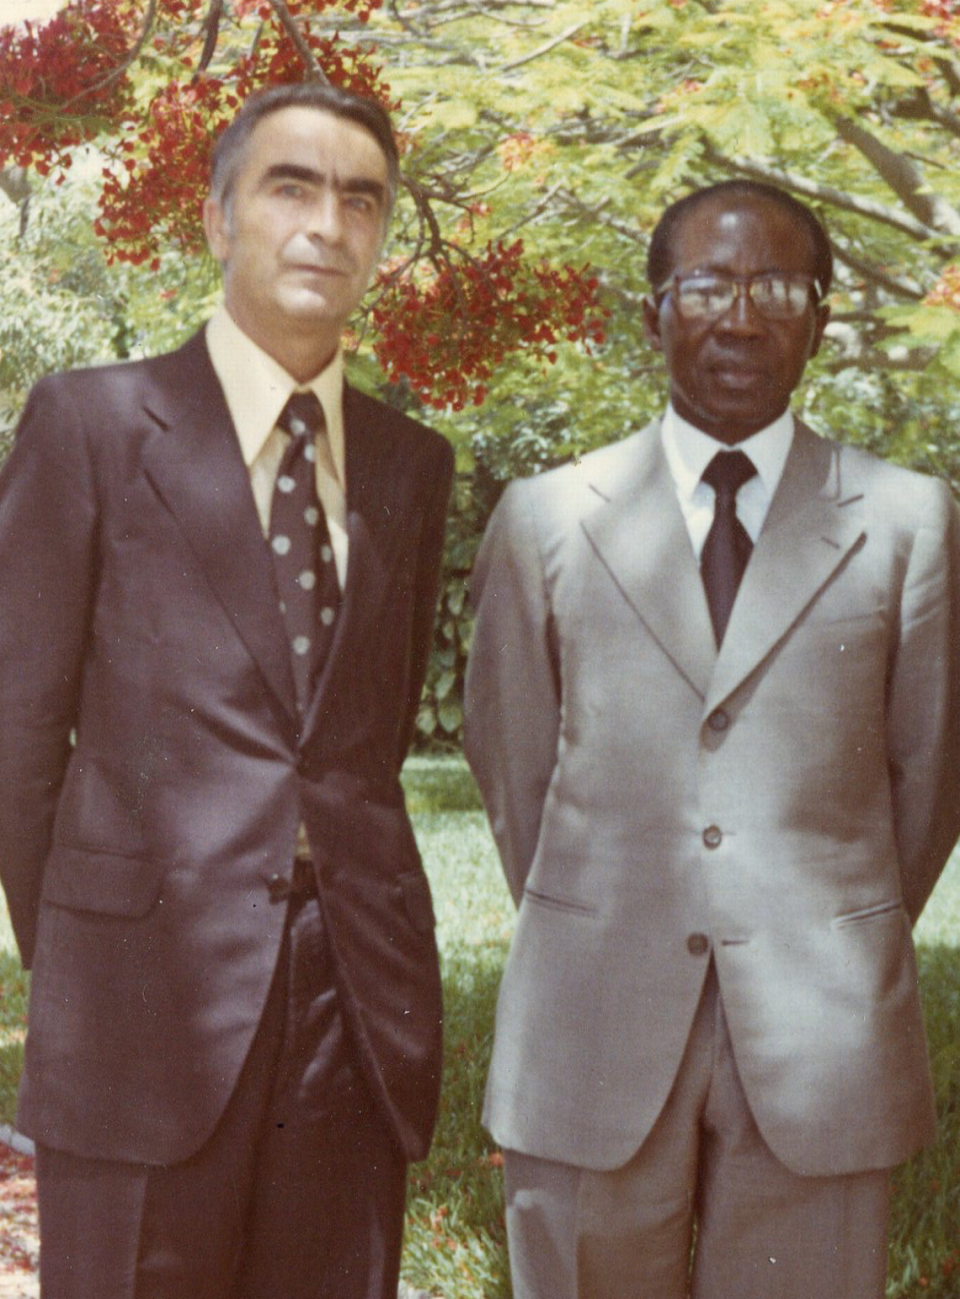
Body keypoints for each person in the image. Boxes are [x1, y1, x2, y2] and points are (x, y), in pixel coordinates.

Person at [463, 179, 960, 1299]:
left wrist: (816, 916)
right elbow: (513, 771)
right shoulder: (548, 519)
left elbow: (926, 783)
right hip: (590, 1022)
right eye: (707, 285)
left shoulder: (908, 522)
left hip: (820, 1037)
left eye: (780, 286)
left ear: (822, 317)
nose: (742, 316)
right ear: (653, 313)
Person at [0, 81, 453, 1299]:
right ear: (216, 220)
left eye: (361, 199)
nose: (328, 224)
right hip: (139, 999)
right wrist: (94, 950)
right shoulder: (91, 425)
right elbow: (20, 730)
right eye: (290, 186)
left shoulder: (412, 467)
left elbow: (366, 737)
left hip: (349, 1008)